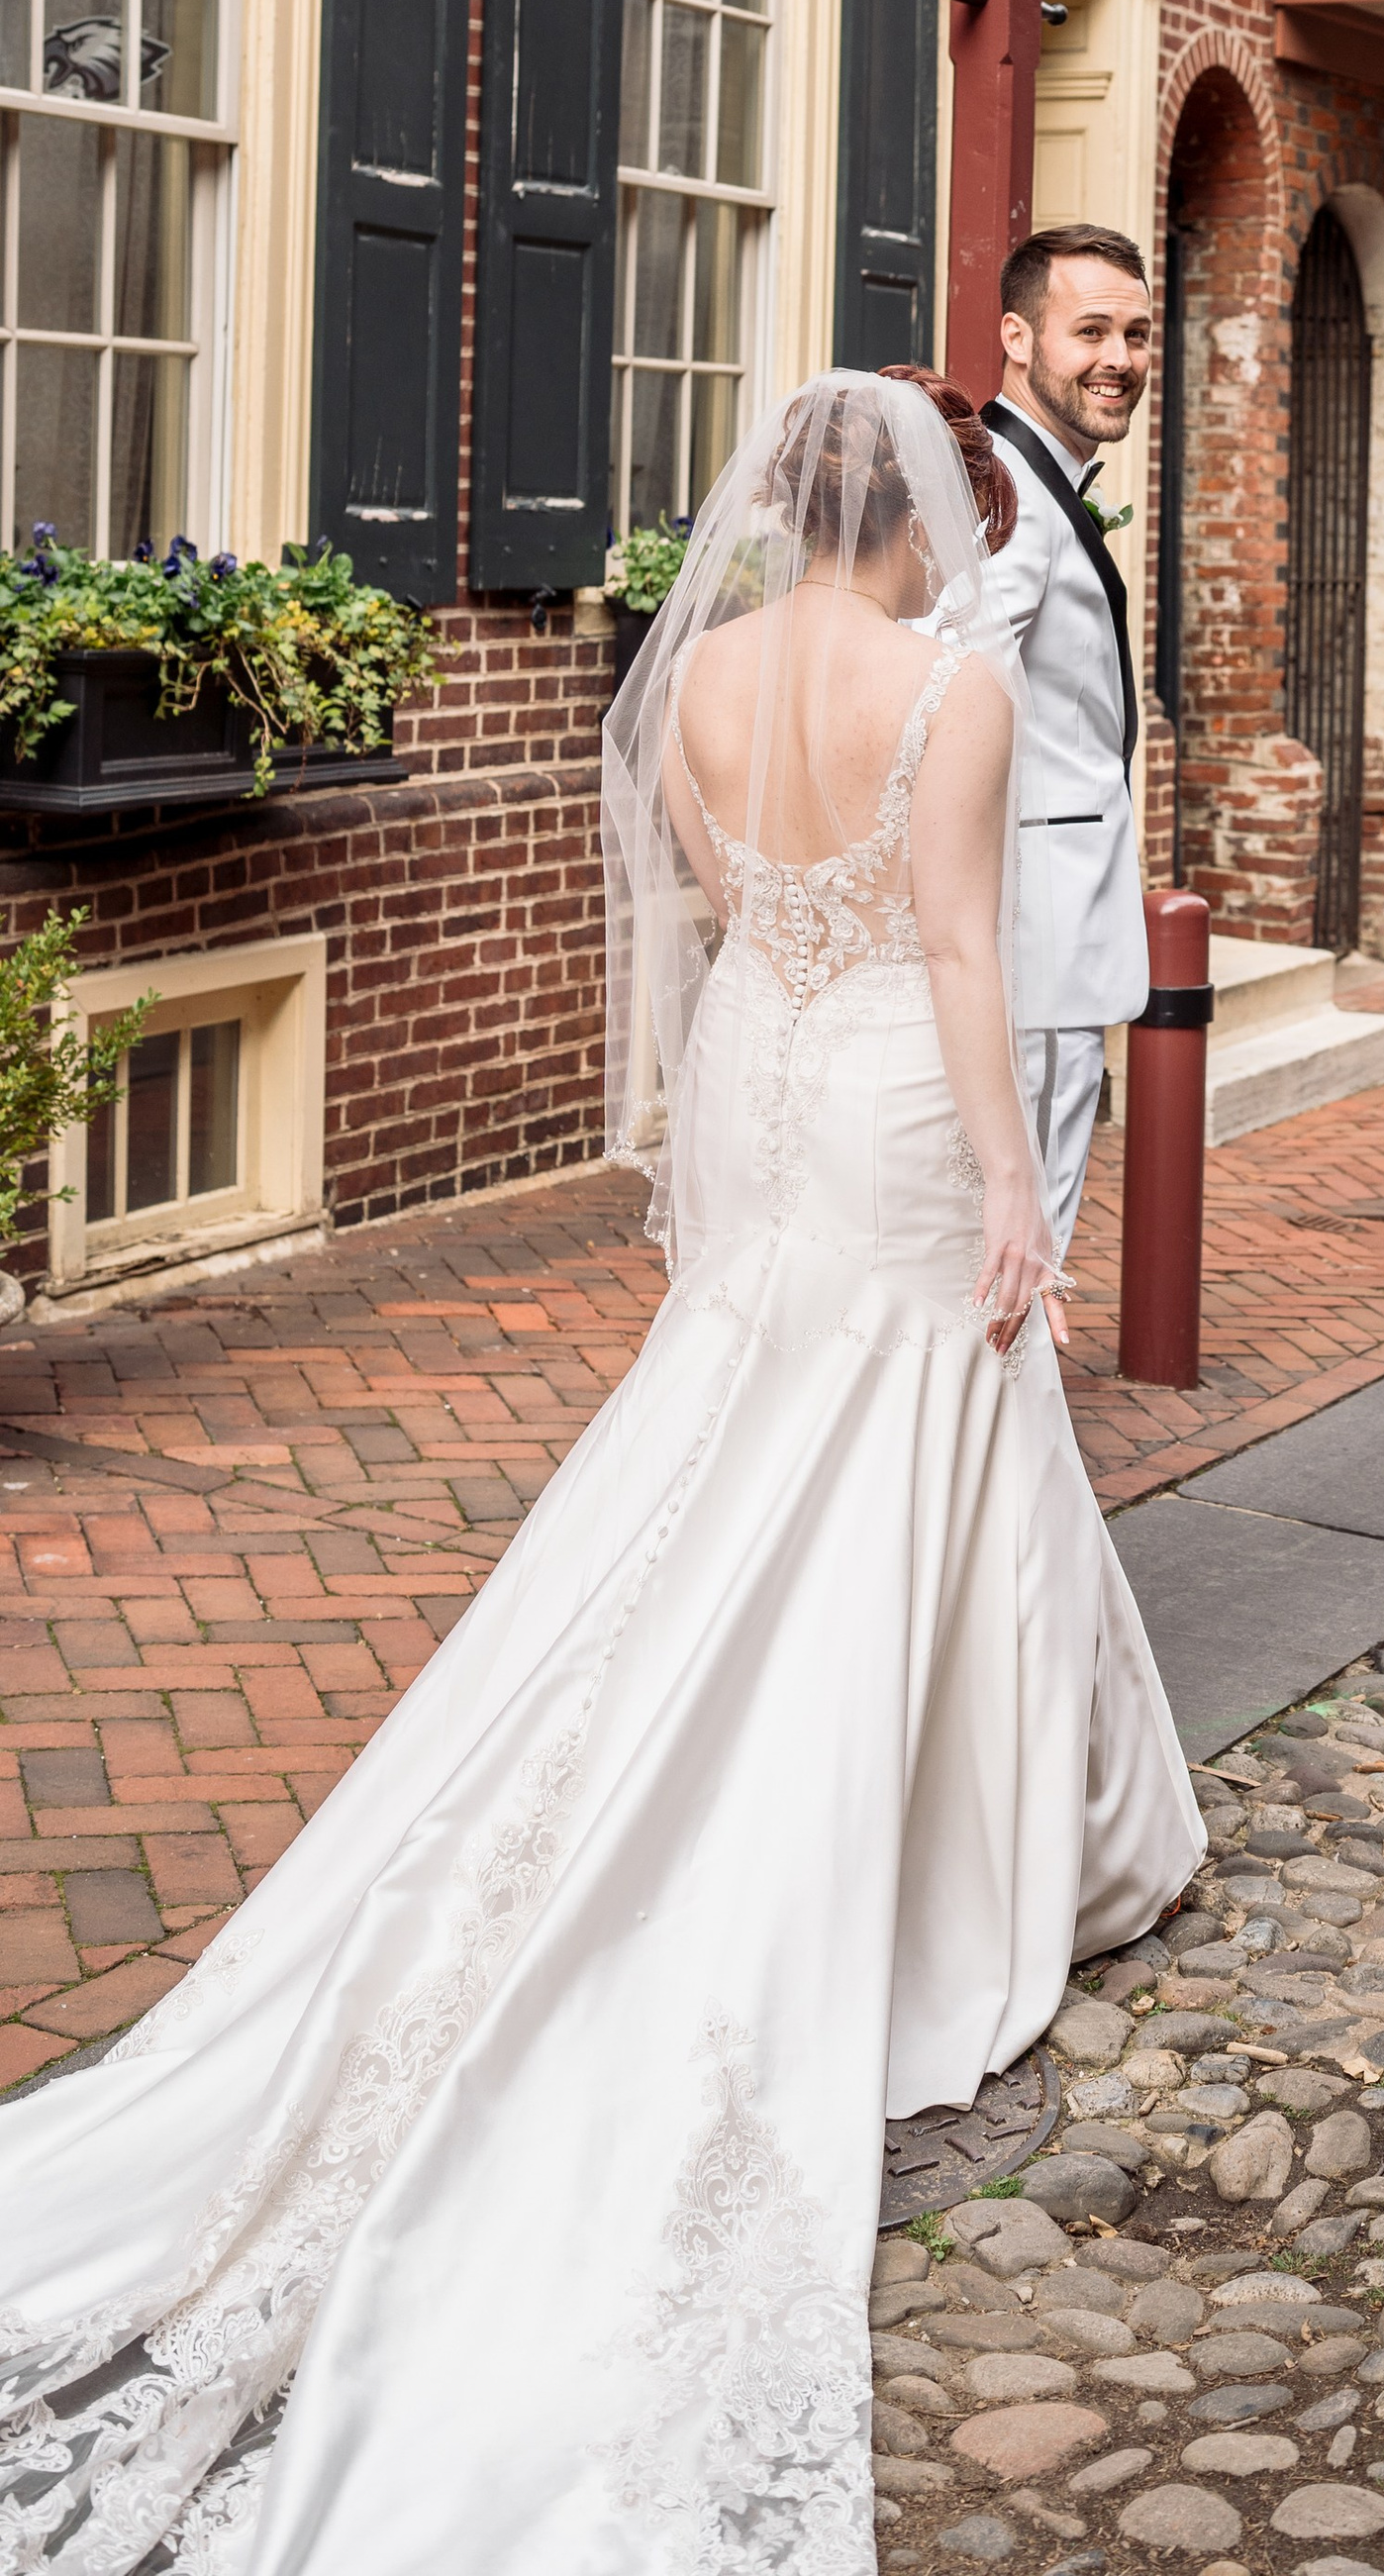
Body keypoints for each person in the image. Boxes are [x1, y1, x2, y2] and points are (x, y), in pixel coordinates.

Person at [0, 368, 1203, 2571]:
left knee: (738, 1426)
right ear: (911, 518)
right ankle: (955, 1846)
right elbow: (960, 952)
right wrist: (1022, 1188)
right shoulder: (947, 691)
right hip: (882, 1100)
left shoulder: (701, 677)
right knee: (890, 1434)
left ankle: (931, 1795)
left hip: (751, 1079)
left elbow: (725, 922)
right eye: (942, 507)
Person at [979, 224, 1155, 1252]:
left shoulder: (1038, 481)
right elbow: (950, 700)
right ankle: (1000, 1408)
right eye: (1089, 331)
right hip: (1028, 922)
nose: (1119, 361)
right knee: (1029, 1212)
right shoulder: (1009, 496)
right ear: (1016, 335)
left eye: (1135, 334)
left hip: (1045, 911)